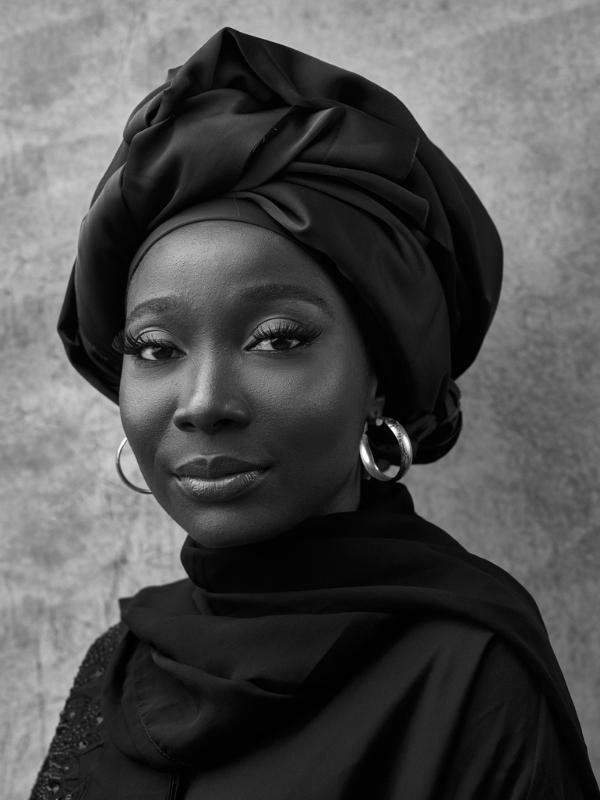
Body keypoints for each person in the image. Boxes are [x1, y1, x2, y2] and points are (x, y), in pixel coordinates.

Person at [30, 27, 599, 800]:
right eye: (157, 348)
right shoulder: (116, 665)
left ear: (379, 376)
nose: (203, 404)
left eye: (277, 339)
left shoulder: (470, 677)